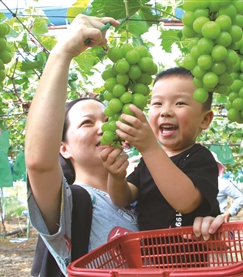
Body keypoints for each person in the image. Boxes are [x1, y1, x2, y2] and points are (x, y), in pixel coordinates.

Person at [25, 15, 223, 276]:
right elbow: (39, 163)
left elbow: (181, 208)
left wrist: (204, 225)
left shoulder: (141, 194)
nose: (102, 127)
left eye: (108, 119)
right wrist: (62, 53)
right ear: (64, 148)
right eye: (86, 123)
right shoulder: (71, 205)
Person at [101, 67, 222, 231]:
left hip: (191, 254)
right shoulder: (147, 162)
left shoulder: (200, 158)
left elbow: (186, 202)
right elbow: (124, 198)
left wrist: (150, 148)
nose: (165, 111)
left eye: (180, 103)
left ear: (205, 119)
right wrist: (116, 177)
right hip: (150, 253)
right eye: (157, 103)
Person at [212, 152, 243, 223]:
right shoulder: (192, 183)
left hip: (216, 221)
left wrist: (229, 212)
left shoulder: (222, 183)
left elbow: (240, 196)